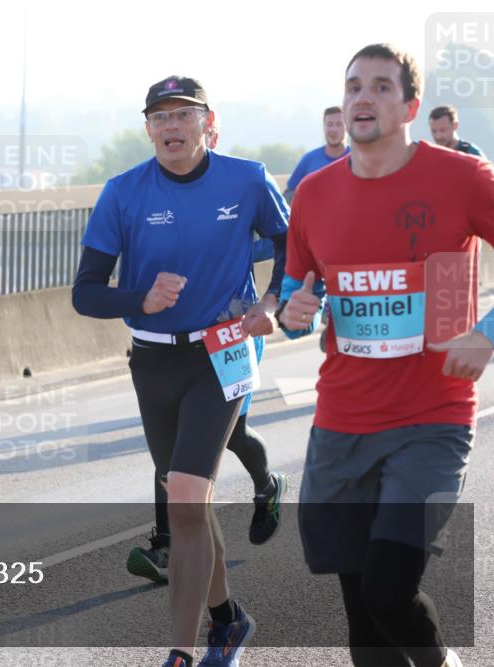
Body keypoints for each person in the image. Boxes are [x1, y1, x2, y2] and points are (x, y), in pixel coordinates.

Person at [277, 43, 493, 667]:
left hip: (433, 416)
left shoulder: (460, 177)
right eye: (352, 87)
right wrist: (294, 315)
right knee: (362, 617)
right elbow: (299, 294)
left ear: (409, 106)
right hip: (343, 422)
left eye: (379, 86)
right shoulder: (314, 194)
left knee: (389, 590)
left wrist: (485, 332)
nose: (362, 97)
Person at [73, 75, 289, 667]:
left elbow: (293, 244)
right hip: (153, 359)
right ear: (147, 129)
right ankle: (229, 620)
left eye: (183, 115)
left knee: (188, 497)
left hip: (222, 351)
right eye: (159, 118)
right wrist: (138, 298)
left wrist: (269, 304)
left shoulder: (247, 179)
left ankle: (181, 652)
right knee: (189, 499)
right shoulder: (122, 192)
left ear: (207, 122)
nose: (171, 127)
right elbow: (85, 293)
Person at [126, 114, 288, 587]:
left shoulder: (241, 187)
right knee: (179, 444)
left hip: (231, 333)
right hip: (172, 344)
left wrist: (269, 300)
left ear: (211, 137)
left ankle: (267, 486)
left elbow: (285, 240)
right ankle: (167, 543)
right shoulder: (154, 199)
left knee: (230, 433)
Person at [283, 106, 350, 204]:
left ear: (347, 128)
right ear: (324, 127)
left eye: (339, 124)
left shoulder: (358, 159)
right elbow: (289, 195)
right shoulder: (309, 160)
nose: (333, 129)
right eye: (329, 124)